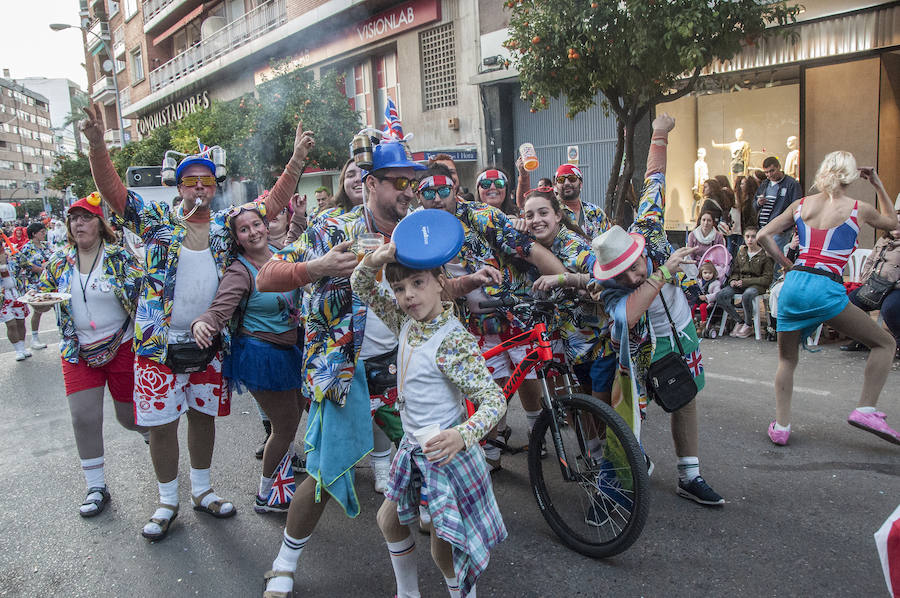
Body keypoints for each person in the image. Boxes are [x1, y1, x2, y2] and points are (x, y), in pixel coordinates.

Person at [256, 142, 499, 596]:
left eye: (415, 182)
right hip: (346, 372)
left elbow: (432, 294)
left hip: (405, 371)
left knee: (419, 473)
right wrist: (318, 266)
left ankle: (430, 565)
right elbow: (266, 275)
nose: (412, 191)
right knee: (327, 472)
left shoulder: (416, 233)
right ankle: (285, 562)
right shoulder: (333, 226)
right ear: (370, 184)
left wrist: (471, 280)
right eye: (401, 183)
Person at [81, 102, 314, 540]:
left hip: (212, 344)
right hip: (157, 343)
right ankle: (167, 500)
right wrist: (97, 146)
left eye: (207, 181)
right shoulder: (156, 221)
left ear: (215, 186)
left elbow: (272, 202)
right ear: (179, 186)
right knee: (163, 426)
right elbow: (114, 192)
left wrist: (298, 159)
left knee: (203, 418)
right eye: (191, 182)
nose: (200, 189)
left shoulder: (229, 225)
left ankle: (203, 491)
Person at [351, 242, 507, 598]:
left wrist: (462, 435)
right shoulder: (404, 321)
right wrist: (375, 259)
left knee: (445, 548)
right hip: (413, 447)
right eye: (399, 288)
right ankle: (407, 593)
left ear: (440, 281)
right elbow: (360, 285)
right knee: (388, 520)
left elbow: (493, 400)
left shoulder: (453, 341)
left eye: (417, 283)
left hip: (446, 454)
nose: (408, 295)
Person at [593, 113, 725, 506]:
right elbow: (628, 316)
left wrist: (659, 133)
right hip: (636, 351)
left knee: (685, 397)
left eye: (635, 265)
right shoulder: (609, 287)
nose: (632, 275)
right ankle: (614, 486)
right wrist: (664, 273)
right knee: (629, 413)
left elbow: (654, 180)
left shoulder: (648, 229)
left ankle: (690, 475)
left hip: (680, 331)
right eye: (622, 274)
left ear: (638, 249)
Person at [416, 168, 567, 470]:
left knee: (530, 377)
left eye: (443, 190)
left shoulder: (482, 216)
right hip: (472, 324)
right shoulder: (421, 230)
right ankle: (489, 456)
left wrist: (565, 280)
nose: (436, 198)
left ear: (455, 188)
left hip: (515, 312)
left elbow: (530, 250)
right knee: (489, 389)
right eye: (428, 192)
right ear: (419, 195)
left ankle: (538, 437)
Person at [758, 157, 899, 446]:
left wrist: (786, 264)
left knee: (786, 360)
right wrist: (878, 184)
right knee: (885, 343)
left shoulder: (801, 205)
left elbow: (762, 235)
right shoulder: (859, 209)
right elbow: (893, 223)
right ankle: (865, 409)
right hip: (825, 287)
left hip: (793, 284)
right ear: (850, 177)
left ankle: (781, 427)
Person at [36, 193, 147, 517]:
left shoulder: (118, 256)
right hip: (78, 349)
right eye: (74, 219)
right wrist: (40, 303)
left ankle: (151, 437)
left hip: (122, 345)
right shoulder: (60, 260)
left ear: (100, 223)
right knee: (83, 418)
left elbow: (143, 292)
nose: (78, 223)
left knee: (128, 417)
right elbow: (42, 290)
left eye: (85, 217)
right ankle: (96, 486)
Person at [191, 202, 305, 513]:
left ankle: (280, 479)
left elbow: (296, 237)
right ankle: (265, 493)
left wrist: (301, 216)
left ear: (266, 227)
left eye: (256, 225)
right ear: (237, 238)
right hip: (260, 354)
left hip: (291, 349)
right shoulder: (240, 271)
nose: (253, 232)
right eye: (244, 229)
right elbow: (220, 308)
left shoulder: (281, 251)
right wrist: (203, 323)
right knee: (284, 426)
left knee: (294, 417)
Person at [522, 189, 618, 414]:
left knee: (601, 412)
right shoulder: (533, 246)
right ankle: (592, 450)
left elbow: (608, 278)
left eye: (543, 213)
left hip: (600, 342)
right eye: (529, 215)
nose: (536, 220)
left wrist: (564, 279)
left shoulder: (574, 246)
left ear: (557, 215)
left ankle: (608, 449)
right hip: (570, 345)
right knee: (579, 407)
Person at [842, 198, 900, 357]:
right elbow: (870, 261)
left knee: (890, 309)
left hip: (895, 288)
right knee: (850, 303)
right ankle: (863, 339)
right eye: (894, 223)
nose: (896, 227)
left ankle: (898, 343)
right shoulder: (883, 240)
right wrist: (865, 280)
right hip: (876, 284)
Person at [714, 225, 774, 338]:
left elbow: (767, 279)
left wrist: (746, 282)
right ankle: (739, 321)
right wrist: (733, 280)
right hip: (740, 283)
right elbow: (735, 271)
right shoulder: (741, 252)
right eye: (747, 237)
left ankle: (748, 324)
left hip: (757, 285)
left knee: (747, 295)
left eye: (753, 237)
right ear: (744, 238)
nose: (750, 240)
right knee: (721, 295)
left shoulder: (765, 255)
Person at [11, 221, 53, 349]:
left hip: (50, 281)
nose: (44, 234)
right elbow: (26, 265)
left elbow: (53, 259)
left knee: (59, 307)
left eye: (44, 231)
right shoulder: (27, 248)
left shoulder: (46, 245)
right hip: (35, 283)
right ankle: (34, 338)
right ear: (34, 234)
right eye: (41, 232)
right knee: (38, 311)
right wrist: (40, 268)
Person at [755, 156, 801, 253]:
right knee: (766, 260)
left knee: (777, 258)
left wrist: (784, 226)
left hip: (779, 230)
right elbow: (754, 204)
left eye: (772, 171)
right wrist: (758, 203)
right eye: (766, 172)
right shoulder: (765, 184)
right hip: (763, 228)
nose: (769, 175)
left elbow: (797, 207)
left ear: (779, 167)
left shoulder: (791, 184)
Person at [552, 164, 610, 240]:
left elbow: (609, 240)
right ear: (556, 186)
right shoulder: (550, 212)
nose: (566, 183)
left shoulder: (595, 212)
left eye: (572, 178)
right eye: (561, 180)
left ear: (581, 184)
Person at [0, 240, 30, 361]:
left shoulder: (11, 254)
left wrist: (13, 255)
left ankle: (22, 347)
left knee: (20, 322)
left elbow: (24, 264)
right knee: (11, 324)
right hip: (3, 295)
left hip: (16, 293)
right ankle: (17, 350)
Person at [693, 261, 722, 335]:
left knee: (703, 307)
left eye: (710, 273)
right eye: (705, 273)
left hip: (707, 301)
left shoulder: (715, 283)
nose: (707, 275)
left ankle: (703, 323)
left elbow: (716, 294)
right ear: (701, 273)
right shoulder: (698, 281)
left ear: (713, 274)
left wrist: (706, 297)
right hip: (698, 299)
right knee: (691, 307)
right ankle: (692, 321)